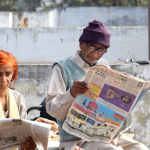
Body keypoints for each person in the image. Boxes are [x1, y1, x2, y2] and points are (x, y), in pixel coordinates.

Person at [46, 20, 149, 150]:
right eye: (91, 47)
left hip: (107, 138)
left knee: (141, 149)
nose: (95, 54)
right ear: (80, 43)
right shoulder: (62, 68)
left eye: (101, 50)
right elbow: (52, 110)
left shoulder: (103, 65)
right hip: (76, 141)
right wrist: (71, 93)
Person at [0, 50, 36, 150]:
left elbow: (23, 131)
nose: (3, 79)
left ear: (13, 75)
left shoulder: (18, 98)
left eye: (8, 74)